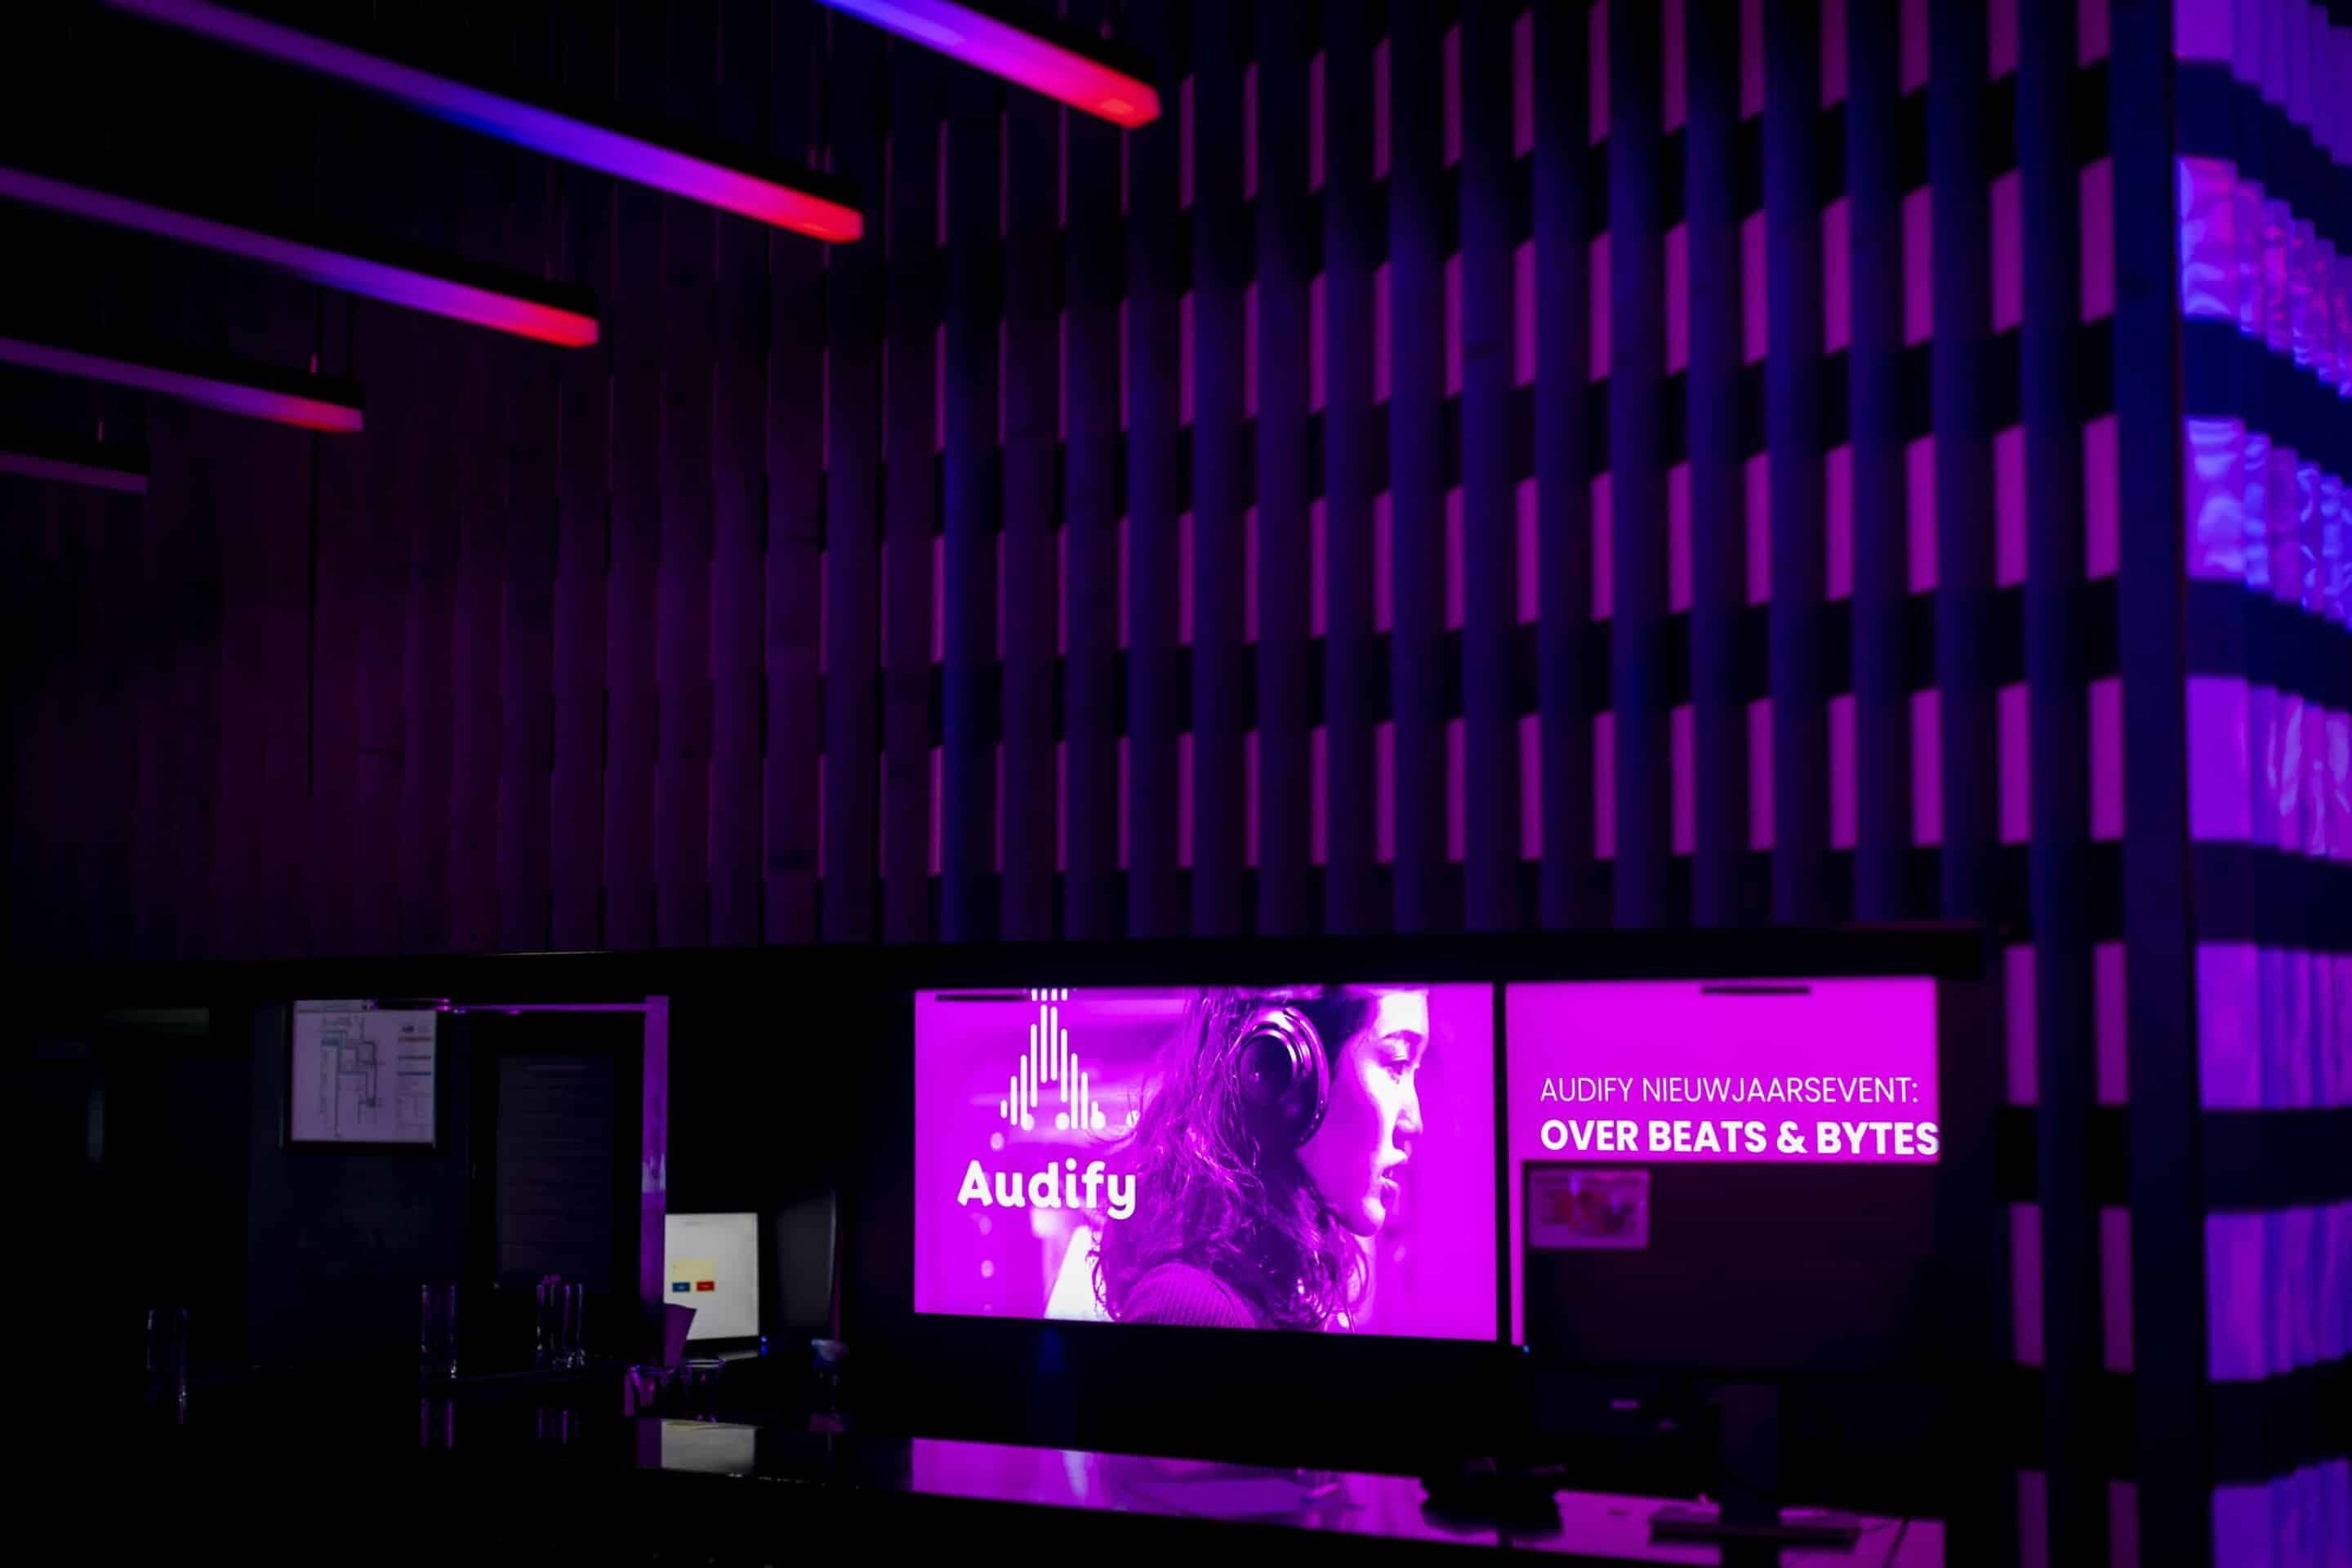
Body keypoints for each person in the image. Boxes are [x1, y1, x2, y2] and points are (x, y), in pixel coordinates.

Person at [1092, 986, 1428, 1330]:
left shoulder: (1276, 1290)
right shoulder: (1187, 1308)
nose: (1414, 1122)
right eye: (1397, 1063)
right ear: (1281, 1065)